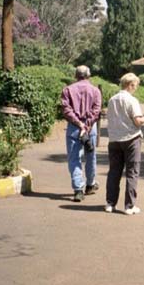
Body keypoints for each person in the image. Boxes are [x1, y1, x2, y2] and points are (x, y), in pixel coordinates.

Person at [105, 73, 144, 215]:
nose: (135, 88)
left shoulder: (112, 100)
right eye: (135, 85)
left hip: (114, 139)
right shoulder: (132, 100)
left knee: (114, 172)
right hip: (131, 139)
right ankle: (129, 206)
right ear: (130, 85)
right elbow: (137, 121)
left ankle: (110, 203)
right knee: (132, 172)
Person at [61, 65, 102, 202]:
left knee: (74, 158)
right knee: (91, 156)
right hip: (90, 129)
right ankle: (90, 184)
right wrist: (87, 125)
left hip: (74, 128)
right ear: (89, 75)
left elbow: (66, 110)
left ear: (75, 75)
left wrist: (79, 124)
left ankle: (78, 190)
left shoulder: (67, 90)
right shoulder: (95, 91)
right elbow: (96, 110)